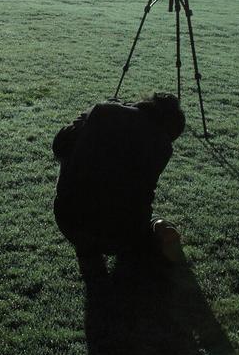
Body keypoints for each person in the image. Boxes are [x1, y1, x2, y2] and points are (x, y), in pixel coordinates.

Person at [52, 93, 185, 258]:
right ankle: (157, 228)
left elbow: (59, 145)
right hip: (122, 237)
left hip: (69, 220)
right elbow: (144, 193)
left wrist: (85, 118)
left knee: (74, 148)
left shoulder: (104, 111)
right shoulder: (163, 147)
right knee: (142, 216)